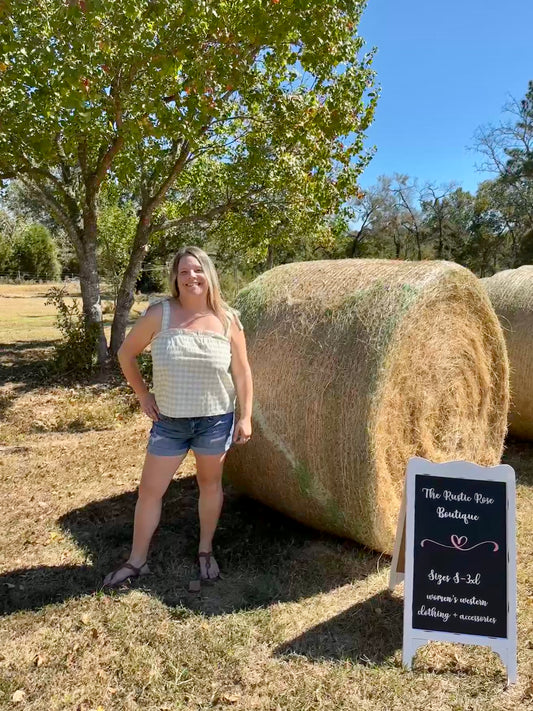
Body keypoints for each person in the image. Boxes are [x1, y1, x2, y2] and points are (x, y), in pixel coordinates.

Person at [103, 246, 253, 588]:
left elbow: (242, 372)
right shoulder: (161, 314)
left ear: (209, 274)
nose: (191, 277)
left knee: (209, 485)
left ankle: (205, 550)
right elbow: (126, 354)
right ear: (175, 278)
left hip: (215, 421)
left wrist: (245, 417)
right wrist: (143, 395)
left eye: (197, 270)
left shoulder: (228, 319)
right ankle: (137, 561)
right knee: (150, 491)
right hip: (169, 422)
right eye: (183, 272)